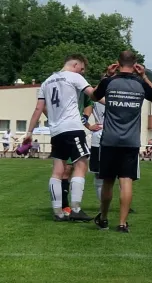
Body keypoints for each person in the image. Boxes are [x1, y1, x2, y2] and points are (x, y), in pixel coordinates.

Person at [90, 51, 152, 233]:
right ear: (136, 63)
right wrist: (144, 76)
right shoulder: (140, 83)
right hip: (130, 141)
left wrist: (107, 74)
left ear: (118, 63)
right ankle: (122, 223)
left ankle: (103, 218)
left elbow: (93, 97)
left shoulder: (109, 82)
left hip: (109, 140)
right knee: (126, 180)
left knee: (107, 181)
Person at [23, 53, 96, 222]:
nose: (82, 73)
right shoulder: (73, 77)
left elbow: (38, 109)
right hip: (72, 127)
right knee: (81, 164)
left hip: (55, 131)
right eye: (82, 69)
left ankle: (58, 212)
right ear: (76, 65)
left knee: (57, 170)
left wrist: (29, 133)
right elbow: (93, 94)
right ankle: (76, 208)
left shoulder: (47, 82)